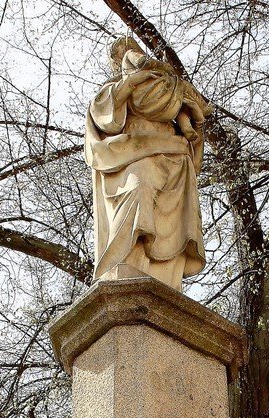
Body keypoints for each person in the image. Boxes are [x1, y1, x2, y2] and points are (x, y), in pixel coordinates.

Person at [85, 37, 209, 290]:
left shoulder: (161, 87)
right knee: (137, 189)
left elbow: (192, 140)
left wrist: (195, 121)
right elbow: (104, 119)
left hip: (172, 154)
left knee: (168, 218)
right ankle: (120, 267)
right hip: (133, 151)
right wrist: (129, 84)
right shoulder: (113, 88)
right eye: (125, 52)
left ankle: (163, 280)